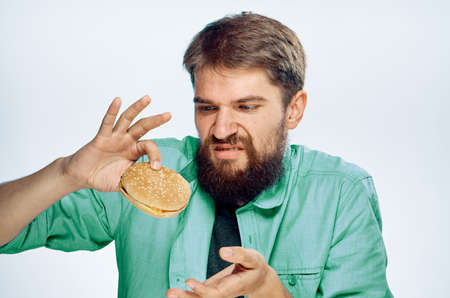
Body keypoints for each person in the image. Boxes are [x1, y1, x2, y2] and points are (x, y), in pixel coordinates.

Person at [0, 12, 393, 298]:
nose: (220, 131)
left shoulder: (342, 193)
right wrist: (66, 173)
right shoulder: (145, 173)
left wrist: (271, 293)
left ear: (294, 109)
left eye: (246, 107)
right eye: (206, 108)